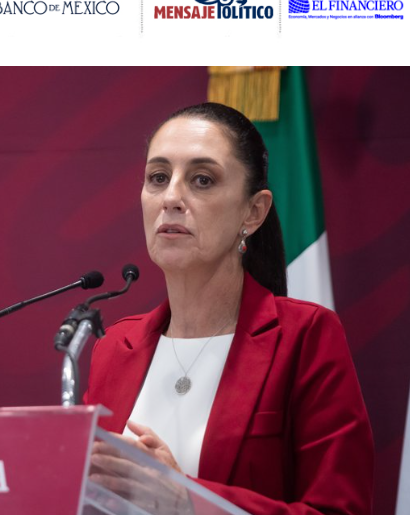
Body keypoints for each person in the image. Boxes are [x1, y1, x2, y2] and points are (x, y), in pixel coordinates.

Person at [85, 103, 373, 515]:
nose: (171, 197)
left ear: (253, 212)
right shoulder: (113, 348)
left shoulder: (306, 336)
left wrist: (186, 501)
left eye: (202, 179)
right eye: (158, 177)